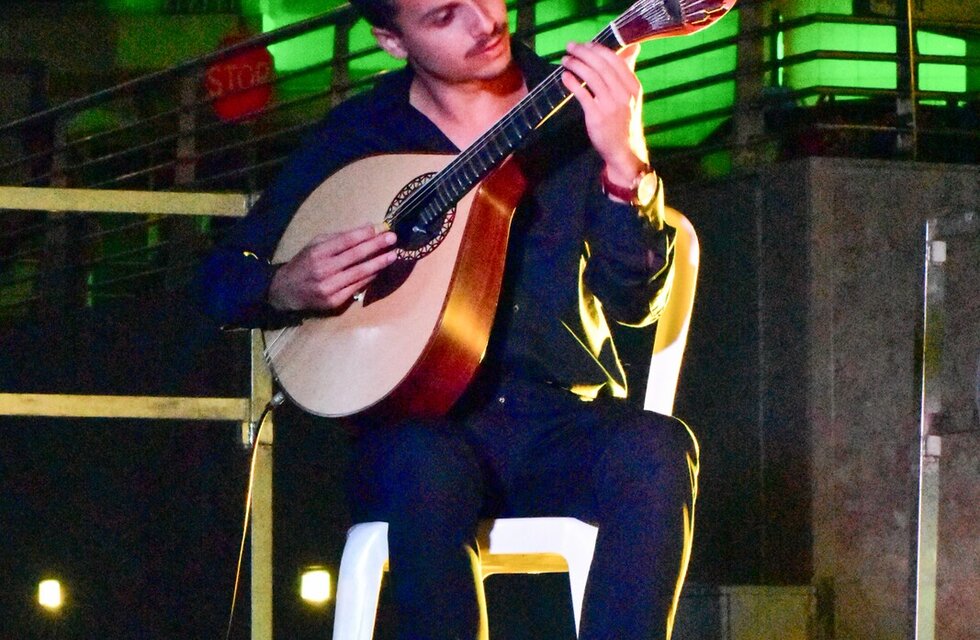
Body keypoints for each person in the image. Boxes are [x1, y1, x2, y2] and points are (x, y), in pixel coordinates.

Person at [193, 0, 699, 637]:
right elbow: (217, 280)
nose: (483, 22)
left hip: (556, 420)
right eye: (443, 16)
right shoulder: (362, 134)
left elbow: (636, 303)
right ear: (391, 40)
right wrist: (285, 285)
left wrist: (627, 165)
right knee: (424, 465)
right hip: (418, 428)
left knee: (657, 449)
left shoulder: (575, 108)